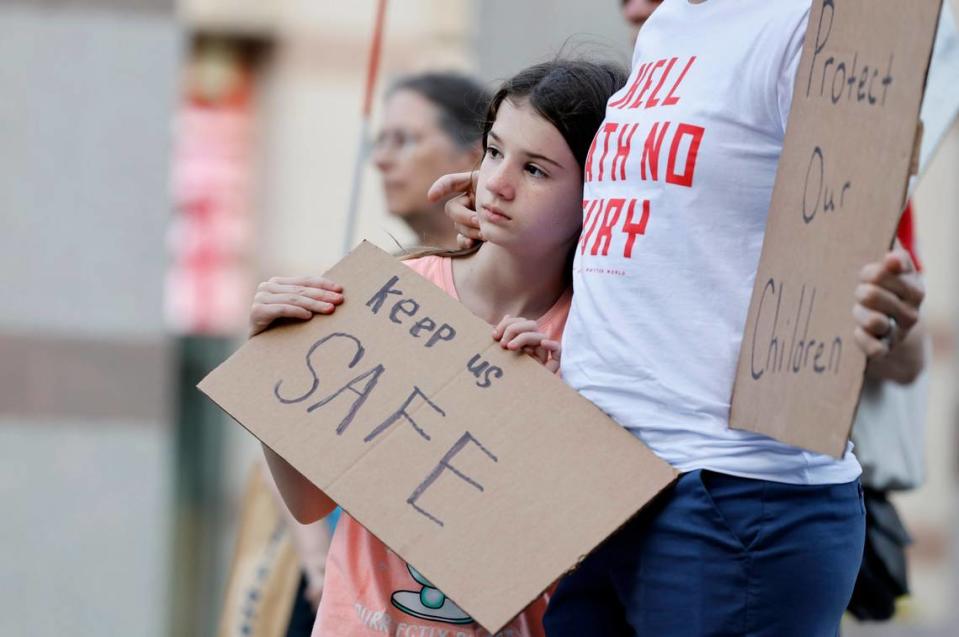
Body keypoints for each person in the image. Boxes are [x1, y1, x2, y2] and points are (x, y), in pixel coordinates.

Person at [431, 1, 927, 634]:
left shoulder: (809, 22)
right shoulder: (670, 28)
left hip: (730, 489)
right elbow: (668, 232)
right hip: (602, 478)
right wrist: (506, 208)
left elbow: (857, 250)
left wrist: (889, 305)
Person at [251, 58, 628, 636]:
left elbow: (580, 560)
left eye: (536, 170)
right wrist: (273, 362)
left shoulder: (595, 344)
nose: (498, 183)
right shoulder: (393, 290)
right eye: (495, 152)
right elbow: (308, 503)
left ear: (598, 190)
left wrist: (546, 419)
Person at [373, 72, 490, 250]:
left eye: (403, 140)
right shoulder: (383, 272)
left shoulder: (519, 271)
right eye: (381, 141)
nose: (380, 160)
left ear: (472, 158)